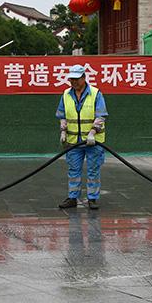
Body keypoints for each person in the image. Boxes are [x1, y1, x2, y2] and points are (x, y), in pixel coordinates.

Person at [56, 64, 107, 210]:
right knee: (73, 171)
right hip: (73, 142)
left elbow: (101, 116)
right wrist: (63, 131)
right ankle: (72, 197)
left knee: (93, 170)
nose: (73, 82)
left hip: (93, 142)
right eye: (71, 79)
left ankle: (92, 198)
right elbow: (62, 115)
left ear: (84, 78)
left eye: (76, 79)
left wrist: (93, 132)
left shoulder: (96, 94)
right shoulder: (66, 94)